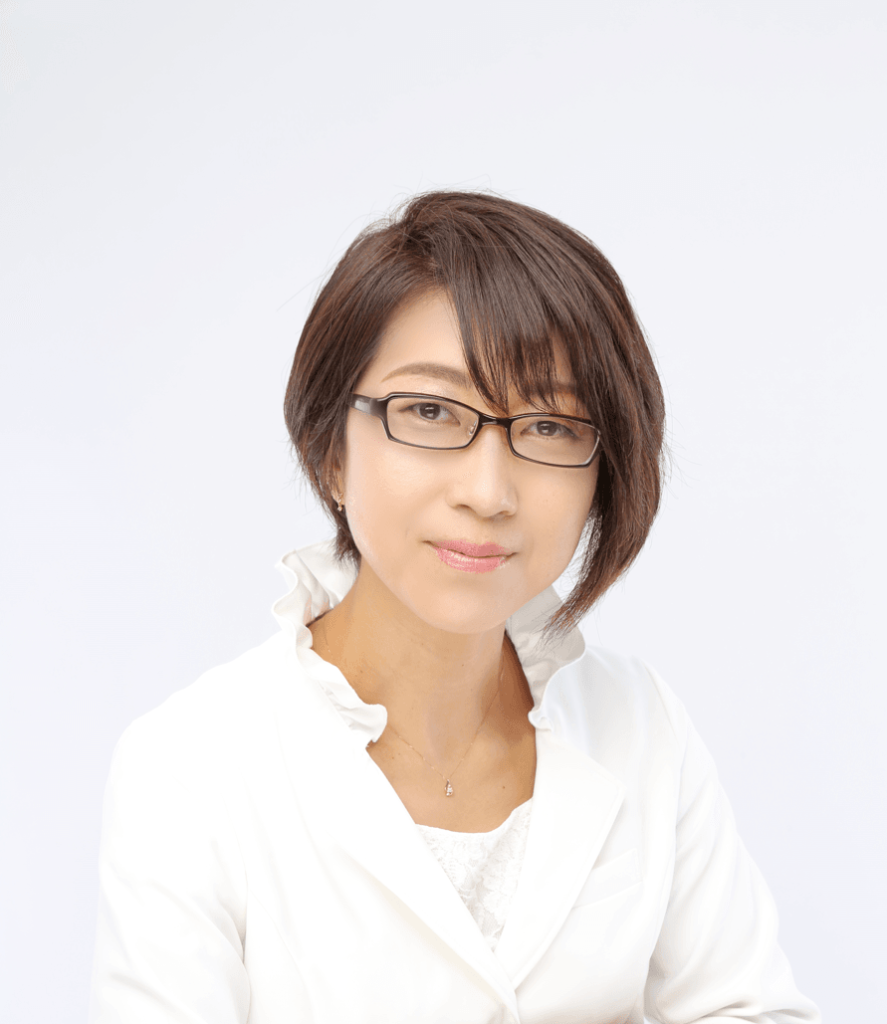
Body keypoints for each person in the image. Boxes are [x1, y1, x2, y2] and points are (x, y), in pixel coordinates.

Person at [87, 191, 821, 1023]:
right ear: (330, 451)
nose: (487, 491)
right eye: (430, 411)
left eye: (548, 426)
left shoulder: (638, 721)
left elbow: (750, 1009)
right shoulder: (188, 764)